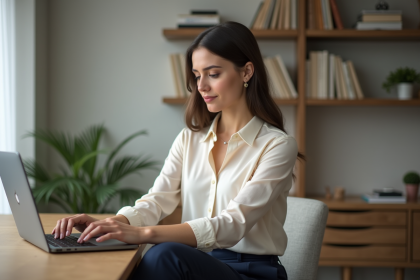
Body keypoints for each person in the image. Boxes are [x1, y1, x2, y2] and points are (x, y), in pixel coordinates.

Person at [52, 21, 304, 280]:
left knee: (162, 254)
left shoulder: (277, 145)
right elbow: (158, 199)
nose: (201, 86)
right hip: (195, 264)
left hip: (251, 272)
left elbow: (232, 225)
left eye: (213, 74)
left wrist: (145, 234)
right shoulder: (189, 139)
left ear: (246, 72)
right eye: (197, 75)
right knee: (145, 257)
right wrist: (113, 224)